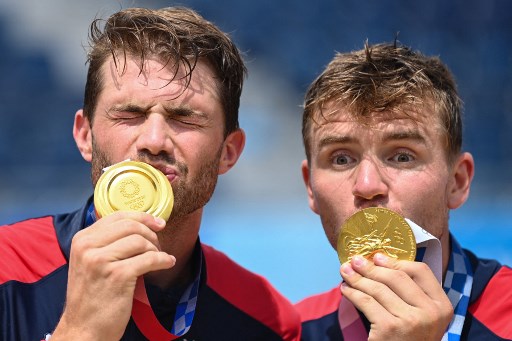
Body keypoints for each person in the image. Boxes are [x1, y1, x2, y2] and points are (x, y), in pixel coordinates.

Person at [0, 7, 301, 340]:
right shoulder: (6, 269)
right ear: (85, 135)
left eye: (185, 118)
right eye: (130, 114)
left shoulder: (267, 318)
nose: (155, 141)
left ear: (229, 152)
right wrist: (81, 331)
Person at [295, 41, 511, 340]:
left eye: (402, 156)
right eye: (341, 159)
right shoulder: (287, 331)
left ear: (458, 182)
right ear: (310, 187)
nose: (368, 186)